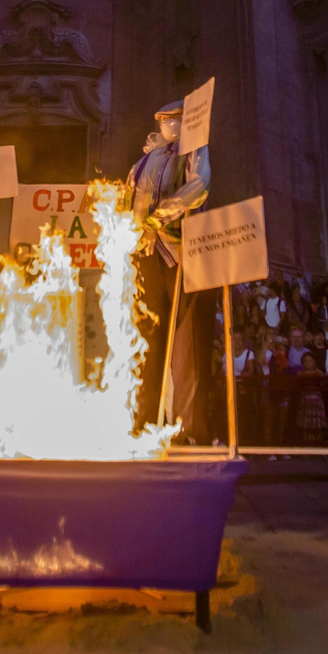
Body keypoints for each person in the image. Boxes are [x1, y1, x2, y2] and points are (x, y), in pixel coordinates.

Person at [126, 98, 214, 443]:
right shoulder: (145, 160)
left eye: (174, 118)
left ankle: (190, 428)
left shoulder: (194, 152)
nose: (167, 123)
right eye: (163, 118)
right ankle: (145, 420)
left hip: (182, 253)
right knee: (148, 341)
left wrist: (157, 219)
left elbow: (197, 187)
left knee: (188, 347)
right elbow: (131, 197)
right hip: (147, 255)